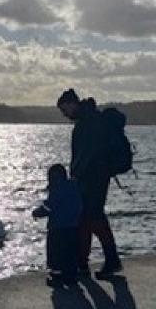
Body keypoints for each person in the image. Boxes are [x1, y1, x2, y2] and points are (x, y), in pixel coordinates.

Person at [60, 88, 124, 276]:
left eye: (65, 110)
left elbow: (84, 155)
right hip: (98, 177)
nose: (65, 115)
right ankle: (83, 262)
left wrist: (74, 177)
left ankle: (108, 261)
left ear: (72, 104)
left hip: (91, 179)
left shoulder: (86, 124)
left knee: (93, 219)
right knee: (88, 219)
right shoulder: (92, 119)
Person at [32, 163, 84, 287]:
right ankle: (71, 276)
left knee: (55, 253)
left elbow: (49, 207)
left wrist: (37, 212)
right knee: (70, 253)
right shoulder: (73, 186)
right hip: (73, 226)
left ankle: (56, 276)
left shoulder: (56, 190)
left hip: (57, 228)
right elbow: (79, 205)